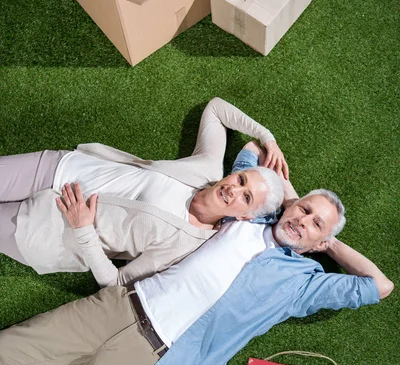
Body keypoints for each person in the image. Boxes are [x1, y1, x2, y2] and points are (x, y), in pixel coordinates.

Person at [0, 146, 393, 365]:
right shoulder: (246, 215)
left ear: (320, 242)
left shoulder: (303, 284)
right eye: (303, 209)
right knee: (11, 344)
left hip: (153, 360)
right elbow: (250, 152)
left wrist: (328, 240)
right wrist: (291, 199)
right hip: (120, 305)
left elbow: (380, 286)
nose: (303, 221)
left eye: (315, 224)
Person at [0, 98, 285, 287]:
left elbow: (117, 283)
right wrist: (267, 137)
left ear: (246, 217)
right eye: (241, 179)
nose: (234, 189)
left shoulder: (186, 244)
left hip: (49, 230)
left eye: (246, 197)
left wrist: (84, 229)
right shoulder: (207, 168)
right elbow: (215, 109)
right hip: (58, 168)